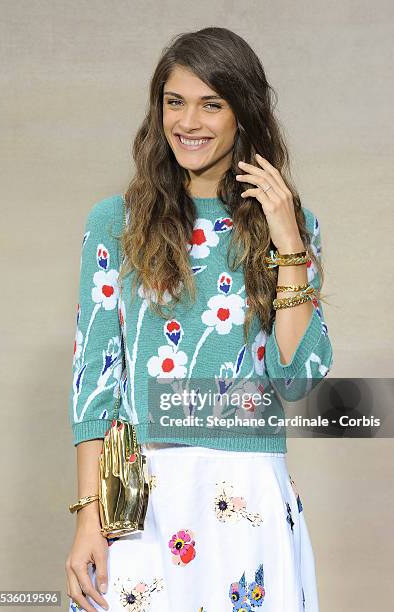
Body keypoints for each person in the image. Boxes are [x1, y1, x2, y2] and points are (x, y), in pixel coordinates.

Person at [65, 27, 333, 612]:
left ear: (245, 115)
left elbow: (298, 379)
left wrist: (287, 239)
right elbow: (95, 382)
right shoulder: (116, 222)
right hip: (141, 500)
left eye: (212, 104)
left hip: (248, 499)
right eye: (175, 101)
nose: (189, 121)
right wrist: (89, 515)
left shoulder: (292, 226)